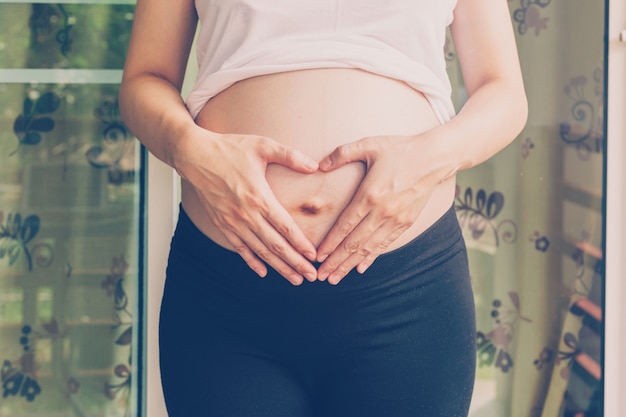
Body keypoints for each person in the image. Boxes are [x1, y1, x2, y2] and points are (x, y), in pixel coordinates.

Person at [119, 0, 527, 415]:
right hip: (228, 295)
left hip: (405, 296)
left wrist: (427, 159)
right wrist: (191, 149)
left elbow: (503, 91)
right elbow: (144, 78)